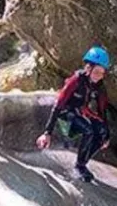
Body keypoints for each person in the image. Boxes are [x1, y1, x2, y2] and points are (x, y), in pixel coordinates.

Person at [35, 46, 111, 182]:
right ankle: (80, 166)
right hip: (65, 111)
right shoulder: (76, 80)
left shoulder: (99, 86)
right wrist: (47, 133)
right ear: (88, 68)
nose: (99, 77)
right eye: (97, 72)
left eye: (102, 73)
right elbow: (58, 104)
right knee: (88, 131)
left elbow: (102, 110)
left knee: (102, 132)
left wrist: (106, 135)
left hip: (79, 111)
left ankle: (82, 162)